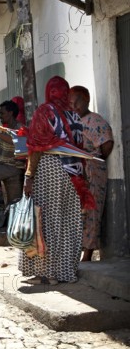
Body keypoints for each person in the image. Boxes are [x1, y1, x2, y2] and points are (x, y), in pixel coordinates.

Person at [21, 76, 94, 285]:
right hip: (74, 175)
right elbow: (80, 147)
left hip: (50, 170)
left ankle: (47, 274)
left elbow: (34, 147)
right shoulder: (75, 116)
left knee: (45, 222)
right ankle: (65, 272)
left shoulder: (45, 112)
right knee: (69, 223)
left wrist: (29, 176)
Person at [69, 85, 114, 262]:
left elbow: (107, 144)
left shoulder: (96, 121)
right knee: (79, 213)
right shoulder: (73, 121)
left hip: (93, 172)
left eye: (77, 102)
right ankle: (77, 252)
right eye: (71, 103)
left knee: (92, 213)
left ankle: (87, 255)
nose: (74, 106)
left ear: (86, 100)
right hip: (78, 172)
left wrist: (94, 161)